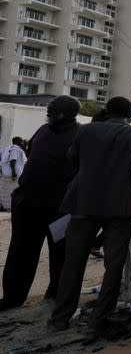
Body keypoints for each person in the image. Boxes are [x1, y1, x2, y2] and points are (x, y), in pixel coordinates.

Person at [49, 97, 131, 334]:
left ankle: (59, 319)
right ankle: (98, 321)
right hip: (119, 207)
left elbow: (72, 158)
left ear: (107, 110)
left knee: (73, 263)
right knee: (113, 267)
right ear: (130, 113)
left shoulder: (86, 131)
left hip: (84, 202)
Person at [0, 97, 81, 310]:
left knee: (60, 255)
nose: (48, 111)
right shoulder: (43, 130)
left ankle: (55, 297)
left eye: (52, 109)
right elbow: (31, 154)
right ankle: (12, 298)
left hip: (60, 210)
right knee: (20, 253)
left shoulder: (80, 135)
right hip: (27, 205)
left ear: (63, 113)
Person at [0, 137, 27, 210]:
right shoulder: (16, 149)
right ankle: (8, 207)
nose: (22, 143)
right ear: (19, 142)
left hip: (6, 174)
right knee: (12, 192)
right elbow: (13, 160)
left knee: (4, 192)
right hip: (13, 175)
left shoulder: (6, 149)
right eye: (21, 142)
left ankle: (4, 207)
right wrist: (13, 172)